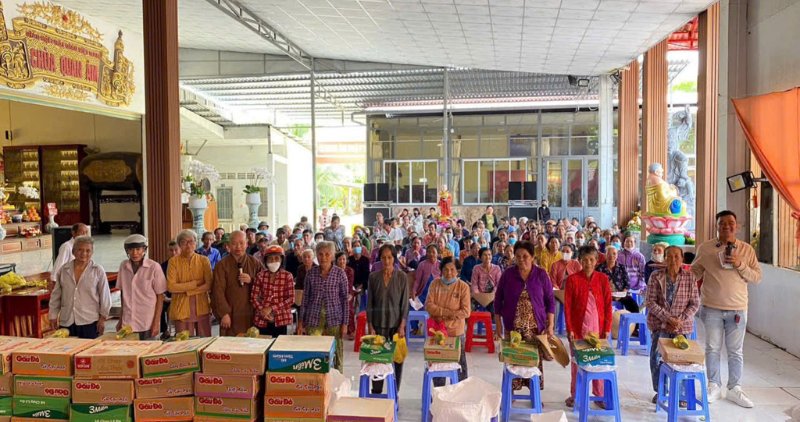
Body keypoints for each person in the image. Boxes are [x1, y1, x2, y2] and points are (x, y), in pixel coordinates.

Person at [691, 210, 762, 408]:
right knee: (712, 349)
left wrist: (740, 264)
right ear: (717, 226)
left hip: (738, 309)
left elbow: (756, 277)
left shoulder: (747, 250)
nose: (727, 226)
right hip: (712, 307)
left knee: (735, 351)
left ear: (737, 226)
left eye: (731, 223)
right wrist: (678, 273)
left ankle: (734, 388)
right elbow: (695, 272)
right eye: (722, 223)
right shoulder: (705, 248)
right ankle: (713, 385)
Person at [494, 240, 555, 391]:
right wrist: (498, 325)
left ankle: (535, 392)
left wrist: (551, 325)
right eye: (518, 256)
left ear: (533, 257)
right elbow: (498, 299)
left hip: (535, 327)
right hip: (512, 326)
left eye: (525, 256)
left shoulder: (541, 274)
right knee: (513, 358)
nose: (521, 259)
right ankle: (511, 391)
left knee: (534, 360)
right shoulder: (508, 274)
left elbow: (550, 300)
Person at [646, 246, 700, 403]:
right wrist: (668, 318)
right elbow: (650, 302)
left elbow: (695, 304)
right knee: (656, 357)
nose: (673, 260)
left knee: (682, 360)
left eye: (676, 257)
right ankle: (661, 391)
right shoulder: (656, 276)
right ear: (665, 258)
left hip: (682, 326)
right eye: (669, 256)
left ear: (682, 259)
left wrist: (679, 320)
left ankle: (682, 394)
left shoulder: (690, 277)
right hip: (660, 324)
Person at [563, 245, 612, 407]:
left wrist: (607, 328)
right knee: (577, 363)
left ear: (597, 261)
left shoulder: (603, 279)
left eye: (592, 259)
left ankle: (599, 395)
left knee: (598, 362)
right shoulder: (572, 280)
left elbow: (607, 305)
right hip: (577, 329)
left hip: (598, 330)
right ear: (579, 261)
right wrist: (569, 328)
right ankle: (575, 395)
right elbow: (568, 306)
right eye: (585, 260)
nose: (588, 263)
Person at [297, 241, 349, 372]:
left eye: (327, 254)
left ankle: (338, 380)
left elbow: (344, 300)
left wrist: (345, 323)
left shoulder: (340, 273)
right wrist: (301, 321)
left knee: (336, 353)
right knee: (314, 352)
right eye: (320, 254)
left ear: (332, 256)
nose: (323, 257)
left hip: (335, 318)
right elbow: (306, 298)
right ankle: (316, 380)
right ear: (316, 256)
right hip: (313, 318)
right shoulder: (311, 273)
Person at [49, 236, 111, 339]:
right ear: (73, 251)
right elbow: (56, 296)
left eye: (88, 251)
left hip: (90, 322)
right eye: (80, 250)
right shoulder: (64, 270)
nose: (84, 254)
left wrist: (102, 319)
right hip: (67, 321)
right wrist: (53, 316)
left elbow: (105, 297)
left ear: (92, 253)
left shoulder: (97, 270)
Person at [367, 244, 409, 394]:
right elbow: (370, 303)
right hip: (378, 326)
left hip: (396, 326)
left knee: (397, 360)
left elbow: (404, 304)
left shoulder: (402, 277)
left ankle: (394, 392)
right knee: (376, 361)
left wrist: (402, 325)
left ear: (394, 259)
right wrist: (370, 326)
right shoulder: (373, 277)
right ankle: (376, 391)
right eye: (383, 258)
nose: (386, 261)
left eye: (389, 257)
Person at [425, 257, 471, 385]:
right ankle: (439, 393)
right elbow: (429, 305)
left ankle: (459, 394)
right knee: (438, 363)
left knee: (459, 365)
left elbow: (466, 312)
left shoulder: (463, 287)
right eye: (445, 270)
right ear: (441, 271)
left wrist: (441, 313)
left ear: (457, 271)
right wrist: (449, 313)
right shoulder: (435, 284)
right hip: (437, 331)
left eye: (452, 270)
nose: (449, 273)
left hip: (456, 332)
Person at [212, 231, 262, 336]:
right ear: (228, 245)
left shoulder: (255, 263)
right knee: (230, 346)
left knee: (251, 344)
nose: (238, 247)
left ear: (247, 244)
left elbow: (265, 286)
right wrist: (224, 314)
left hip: (250, 312)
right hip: (230, 313)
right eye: (234, 243)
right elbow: (217, 291)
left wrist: (252, 280)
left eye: (241, 243)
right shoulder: (222, 265)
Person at [116, 234, 166, 340]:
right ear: (127, 251)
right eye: (131, 249)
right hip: (128, 322)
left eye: (138, 249)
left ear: (144, 250)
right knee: (129, 353)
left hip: (147, 321)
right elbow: (123, 295)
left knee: (148, 353)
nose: (135, 253)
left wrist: (157, 322)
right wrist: (120, 319)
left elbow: (160, 297)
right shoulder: (123, 266)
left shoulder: (154, 267)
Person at [167, 229, 213, 337]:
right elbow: (171, 287)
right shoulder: (173, 262)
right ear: (179, 244)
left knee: (205, 341)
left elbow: (208, 284)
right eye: (184, 242)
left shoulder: (204, 260)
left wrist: (188, 292)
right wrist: (195, 283)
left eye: (191, 241)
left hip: (202, 306)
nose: (188, 245)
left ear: (196, 243)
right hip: (180, 308)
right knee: (183, 344)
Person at [250, 245, 295, 337]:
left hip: (281, 318)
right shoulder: (260, 276)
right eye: (270, 259)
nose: (273, 261)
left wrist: (271, 309)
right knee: (262, 345)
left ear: (281, 260)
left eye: (276, 258)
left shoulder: (287, 276)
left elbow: (291, 299)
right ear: (265, 261)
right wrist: (262, 311)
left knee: (279, 347)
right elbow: (253, 297)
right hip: (261, 318)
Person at [596, 246, 639, 313]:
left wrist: (622, 293)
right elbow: (597, 285)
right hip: (605, 295)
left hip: (621, 294)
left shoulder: (622, 267)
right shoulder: (599, 268)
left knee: (634, 306)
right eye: (609, 254)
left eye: (614, 254)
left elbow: (627, 283)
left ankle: (635, 323)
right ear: (605, 254)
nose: (611, 256)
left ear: (617, 255)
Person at [51, 223, 90, 289]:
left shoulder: (87, 247)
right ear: (74, 233)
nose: (85, 235)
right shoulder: (67, 246)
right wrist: (55, 284)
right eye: (82, 232)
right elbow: (59, 265)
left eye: (86, 232)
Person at [471, 247, 501, 313]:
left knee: (495, 309)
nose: (487, 257)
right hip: (479, 295)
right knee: (473, 309)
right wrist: (479, 296)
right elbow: (474, 284)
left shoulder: (497, 268)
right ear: (480, 257)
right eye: (485, 255)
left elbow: (499, 284)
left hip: (493, 295)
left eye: (489, 254)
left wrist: (492, 295)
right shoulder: (476, 268)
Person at [335, 251, 357, 340]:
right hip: (336, 293)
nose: (342, 261)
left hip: (348, 292)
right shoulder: (334, 270)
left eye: (344, 259)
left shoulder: (350, 270)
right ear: (336, 261)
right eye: (340, 259)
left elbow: (349, 285)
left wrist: (347, 295)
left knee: (349, 308)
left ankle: (351, 330)